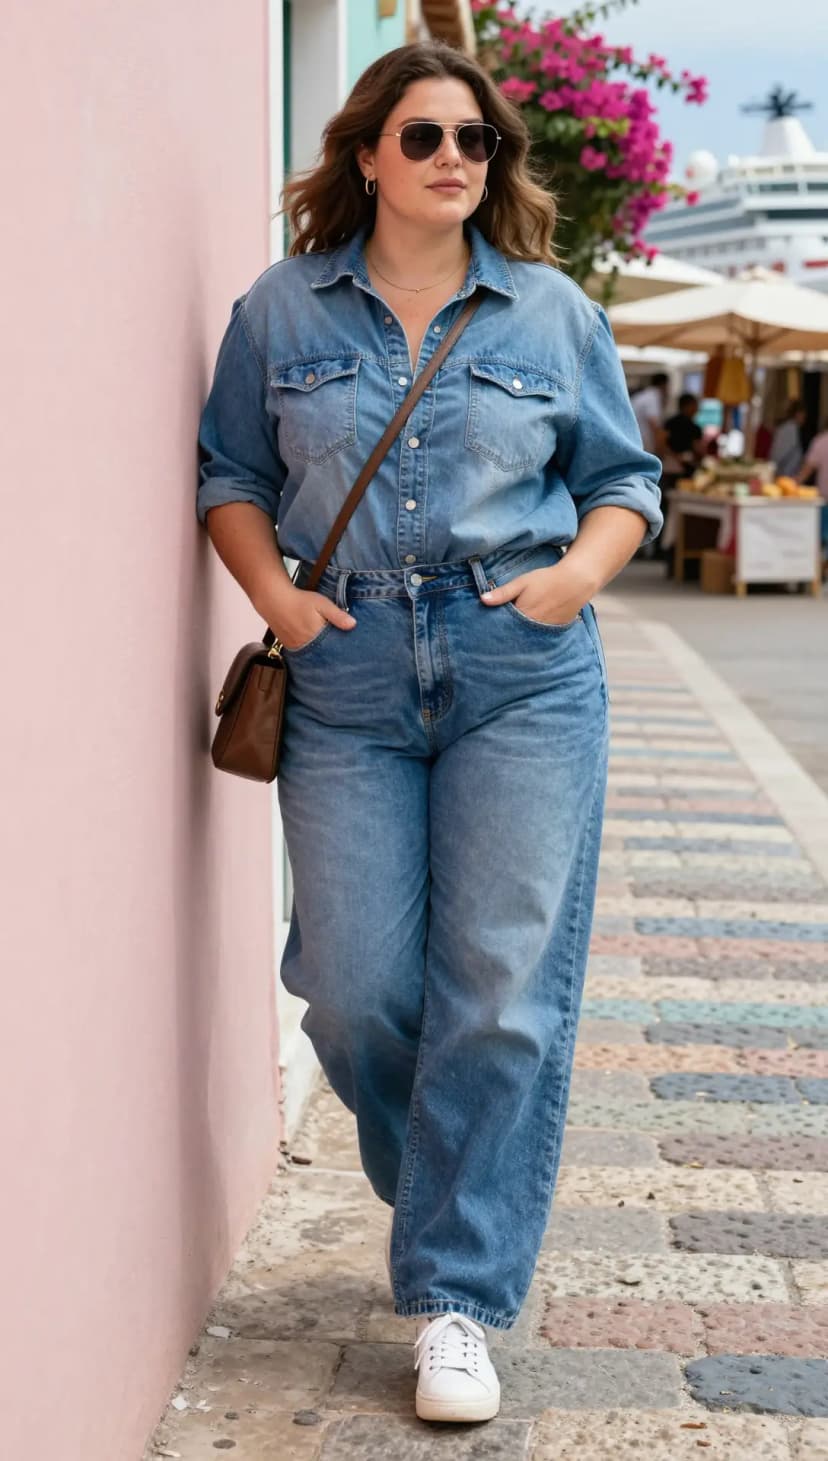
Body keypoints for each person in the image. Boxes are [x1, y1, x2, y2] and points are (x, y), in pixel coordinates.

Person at [196, 41, 662, 1426]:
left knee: (502, 989)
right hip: (344, 674)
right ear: (366, 155)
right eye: (424, 136)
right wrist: (275, 593)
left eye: (477, 140)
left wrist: (574, 579)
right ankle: (458, 1176)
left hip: (517, 667)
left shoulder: (553, 314)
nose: (456, 157)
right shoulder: (282, 310)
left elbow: (620, 480)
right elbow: (232, 470)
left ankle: (455, 1294)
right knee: (353, 987)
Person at [797, 419, 828, 558]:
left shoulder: (822, 441)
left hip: (825, 501)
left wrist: (791, 486)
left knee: (821, 545)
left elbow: (805, 472)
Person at [662, 393, 704, 482]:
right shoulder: (695, 428)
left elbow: (661, 444)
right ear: (686, 406)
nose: (697, 409)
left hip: (670, 465)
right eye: (695, 405)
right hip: (684, 467)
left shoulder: (669, 422)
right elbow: (698, 448)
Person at [630, 371, 669, 455]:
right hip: (641, 445)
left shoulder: (645, 395)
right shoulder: (653, 396)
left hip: (636, 442)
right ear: (664, 384)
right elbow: (654, 424)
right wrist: (661, 451)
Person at [770, 400, 807, 476]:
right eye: (803, 415)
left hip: (787, 473)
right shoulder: (790, 429)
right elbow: (780, 453)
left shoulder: (791, 428)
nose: (804, 418)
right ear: (797, 414)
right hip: (785, 473)